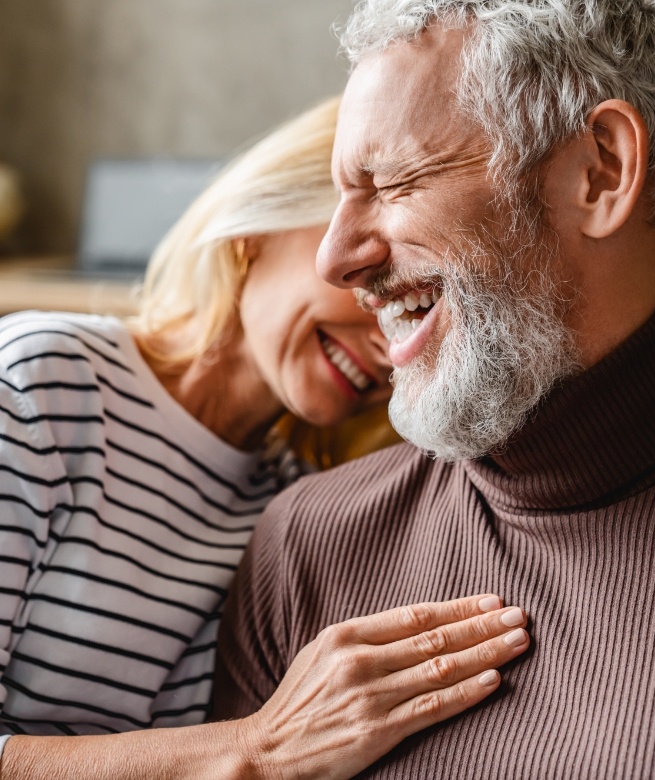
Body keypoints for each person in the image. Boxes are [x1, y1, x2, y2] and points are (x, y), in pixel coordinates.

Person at [214, 1, 655, 778]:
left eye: (394, 181)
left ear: (600, 172)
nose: (335, 258)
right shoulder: (307, 545)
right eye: (342, 195)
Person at [0, 96, 530, 778]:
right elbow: (266, 747)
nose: (389, 334)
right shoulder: (44, 383)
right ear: (259, 227)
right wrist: (258, 750)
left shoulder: (291, 502)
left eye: (419, 303)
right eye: (370, 274)